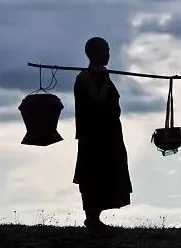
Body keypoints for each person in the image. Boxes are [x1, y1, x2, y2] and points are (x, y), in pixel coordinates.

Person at [73, 36, 131, 230]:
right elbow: (98, 99)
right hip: (93, 135)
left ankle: (95, 217)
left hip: (109, 133)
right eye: (105, 50)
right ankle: (91, 218)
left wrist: (104, 77)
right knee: (92, 174)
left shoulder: (100, 75)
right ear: (94, 53)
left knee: (108, 173)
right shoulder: (85, 77)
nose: (108, 54)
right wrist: (104, 79)